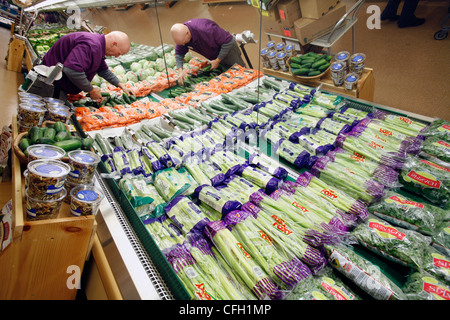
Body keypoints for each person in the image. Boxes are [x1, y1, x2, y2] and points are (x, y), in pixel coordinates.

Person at [41, 30, 134, 103]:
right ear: (114, 44)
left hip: (58, 84)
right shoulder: (92, 45)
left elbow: (103, 70)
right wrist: (91, 90)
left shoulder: (98, 45)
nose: (116, 56)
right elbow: (71, 69)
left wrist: (121, 85)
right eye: (118, 53)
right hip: (51, 85)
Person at [170, 18, 246, 85]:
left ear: (187, 33)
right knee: (229, 76)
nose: (183, 44)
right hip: (213, 54)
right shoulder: (181, 36)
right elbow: (179, 53)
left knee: (240, 73)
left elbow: (229, 41)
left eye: (184, 42)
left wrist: (217, 60)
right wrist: (180, 70)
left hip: (228, 50)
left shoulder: (205, 30)